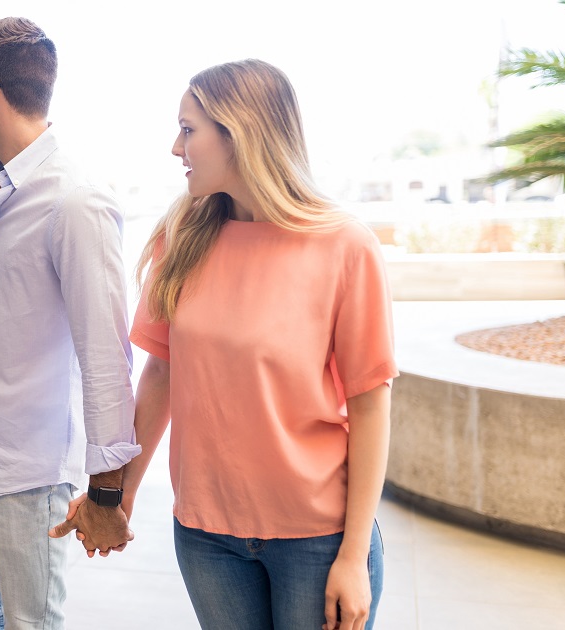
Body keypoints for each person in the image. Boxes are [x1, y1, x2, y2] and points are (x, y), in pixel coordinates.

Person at [117, 59, 395, 630]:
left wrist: (352, 555)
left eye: (189, 130)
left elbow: (370, 403)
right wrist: (117, 497)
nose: (176, 148)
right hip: (204, 533)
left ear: (239, 133)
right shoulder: (182, 237)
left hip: (317, 538)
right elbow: (160, 375)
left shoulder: (345, 247)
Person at [0, 17, 139, 630]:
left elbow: (106, 359)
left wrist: (108, 493)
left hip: (25, 469)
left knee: (30, 622)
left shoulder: (76, 201)